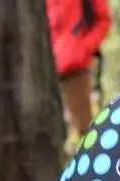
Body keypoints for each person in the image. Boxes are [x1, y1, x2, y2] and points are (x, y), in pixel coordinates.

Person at [47, 0, 112, 137]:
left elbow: (104, 21)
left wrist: (84, 49)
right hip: (43, 71)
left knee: (86, 131)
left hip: (76, 70)